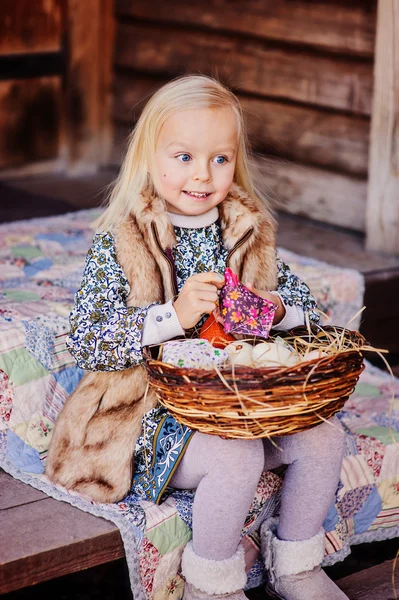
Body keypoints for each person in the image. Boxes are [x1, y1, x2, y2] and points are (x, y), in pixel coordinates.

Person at [46, 75, 348, 600]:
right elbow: (89, 339)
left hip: (243, 404)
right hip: (150, 416)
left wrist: (274, 309)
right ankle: (213, 582)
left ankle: (297, 564)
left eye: (220, 159)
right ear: (149, 155)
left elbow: (310, 312)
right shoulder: (124, 238)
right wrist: (173, 315)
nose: (203, 175)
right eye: (184, 157)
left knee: (325, 439)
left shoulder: (246, 230)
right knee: (236, 457)